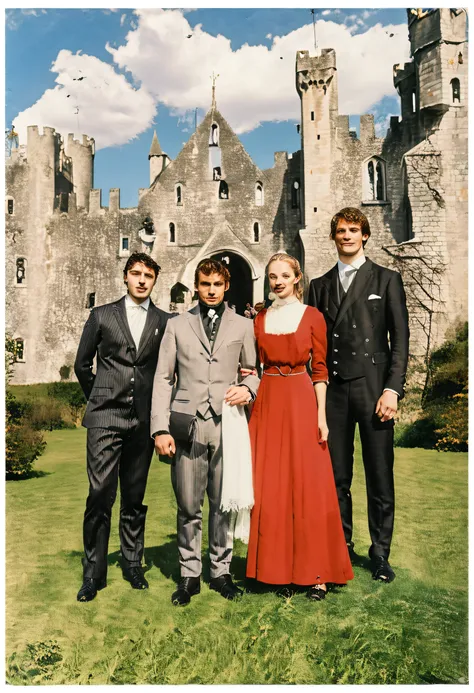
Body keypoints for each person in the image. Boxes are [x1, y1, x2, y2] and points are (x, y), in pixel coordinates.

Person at [308, 208, 409, 583]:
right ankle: (341, 547)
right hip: (333, 392)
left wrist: (392, 389)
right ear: (333, 237)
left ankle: (381, 553)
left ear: (365, 235)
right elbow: (313, 346)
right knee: (335, 476)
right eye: (340, 231)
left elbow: (399, 341)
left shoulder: (387, 280)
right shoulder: (317, 286)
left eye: (353, 230)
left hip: (373, 388)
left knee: (380, 475)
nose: (347, 236)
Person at [151, 258, 260, 606]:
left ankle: (221, 571)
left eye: (217, 284)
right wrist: (159, 428)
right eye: (204, 284)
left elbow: (253, 370)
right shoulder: (177, 324)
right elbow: (163, 378)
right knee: (187, 504)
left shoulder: (243, 326)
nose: (210, 290)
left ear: (226, 286)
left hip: (227, 423)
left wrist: (249, 389)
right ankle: (188, 575)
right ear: (195, 287)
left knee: (222, 503)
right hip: (187, 423)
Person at [246, 253, 354, 600]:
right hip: (268, 401)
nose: (277, 281)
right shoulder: (259, 319)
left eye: (284, 276)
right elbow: (252, 367)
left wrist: (321, 417)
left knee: (308, 485)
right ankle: (275, 570)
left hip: (301, 398)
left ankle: (317, 573)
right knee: (271, 486)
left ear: (297, 279)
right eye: (271, 276)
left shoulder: (313, 317)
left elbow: (320, 371)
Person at [74, 252, 172, 602]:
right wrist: (99, 398)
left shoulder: (164, 321)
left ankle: (133, 565)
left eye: (148, 275)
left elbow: (166, 372)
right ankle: (93, 574)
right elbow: (82, 364)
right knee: (100, 495)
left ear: (155, 280)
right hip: (104, 418)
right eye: (136, 274)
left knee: (134, 497)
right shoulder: (101, 316)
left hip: (142, 421)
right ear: (125, 277)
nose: (142, 280)